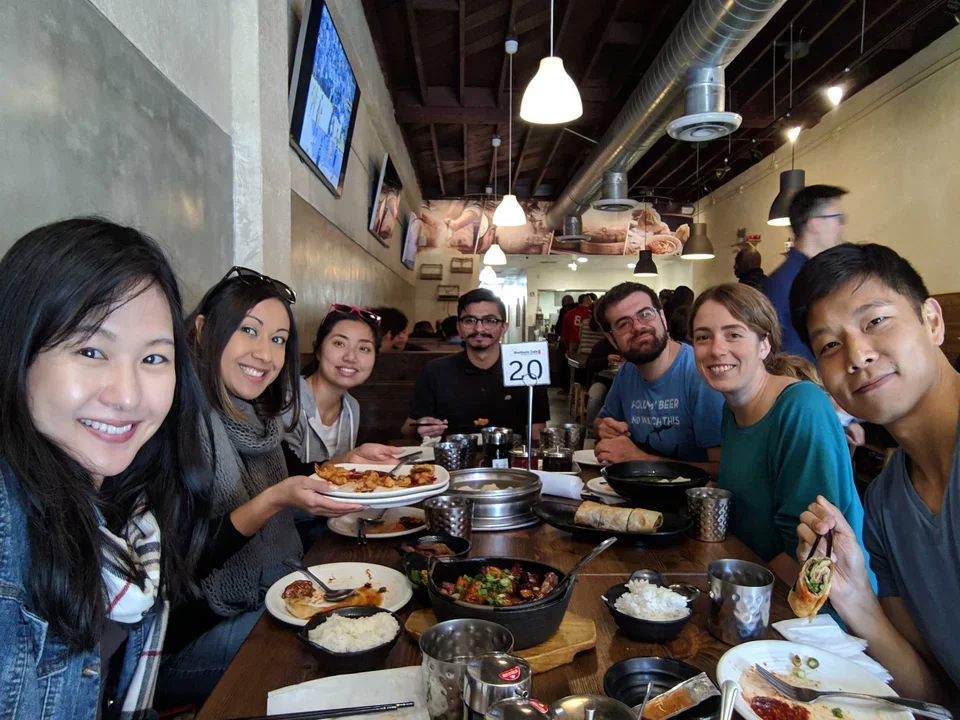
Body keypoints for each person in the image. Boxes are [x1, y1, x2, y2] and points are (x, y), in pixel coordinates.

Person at [0, 218, 215, 718]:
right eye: (90, 350)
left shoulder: (135, 511)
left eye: (155, 359)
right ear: (17, 351)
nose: (127, 395)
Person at [158, 268, 362, 707]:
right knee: (339, 643)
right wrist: (272, 501)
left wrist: (351, 464)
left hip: (263, 593)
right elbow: (180, 564)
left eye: (278, 339)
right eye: (248, 330)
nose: (265, 354)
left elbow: (299, 474)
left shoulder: (258, 420)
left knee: (362, 615)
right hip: (185, 639)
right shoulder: (173, 422)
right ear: (201, 329)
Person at [791, 243, 960, 701]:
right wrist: (858, 598)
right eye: (829, 344)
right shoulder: (884, 504)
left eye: (875, 321)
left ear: (932, 320)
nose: (857, 354)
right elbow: (936, 693)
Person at [688, 284, 867, 586]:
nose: (716, 349)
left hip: (814, 610)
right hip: (754, 583)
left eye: (734, 334)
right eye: (703, 336)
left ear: (764, 345)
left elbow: (810, 551)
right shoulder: (731, 410)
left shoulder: (801, 407)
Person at [592, 282, 724, 477]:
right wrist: (604, 427)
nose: (637, 327)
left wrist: (639, 459)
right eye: (623, 323)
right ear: (612, 340)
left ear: (662, 317)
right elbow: (602, 420)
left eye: (645, 314)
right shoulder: (627, 372)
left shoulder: (700, 374)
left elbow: (722, 471)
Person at [402, 288, 550, 439]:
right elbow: (408, 428)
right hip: (451, 459)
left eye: (490, 320)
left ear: (504, 328)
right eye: (469, 321)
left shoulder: (527, 369)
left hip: (511, 459)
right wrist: (422, 427)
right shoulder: (436, 371)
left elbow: (536, 434)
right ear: (459, 327)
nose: (479, 328)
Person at [284, 303, 401, 472]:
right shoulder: (288, 401)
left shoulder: (351, 408)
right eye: (339, 343)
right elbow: (281, 475)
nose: (350, 357)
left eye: (364, 348)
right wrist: (344, 461)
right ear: (318, 350)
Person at [764, 184, 848, 361]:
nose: (841, 227)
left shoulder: (818, 274)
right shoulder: (786, 283)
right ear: (815, 222)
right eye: (838, 218)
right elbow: (790, 357)